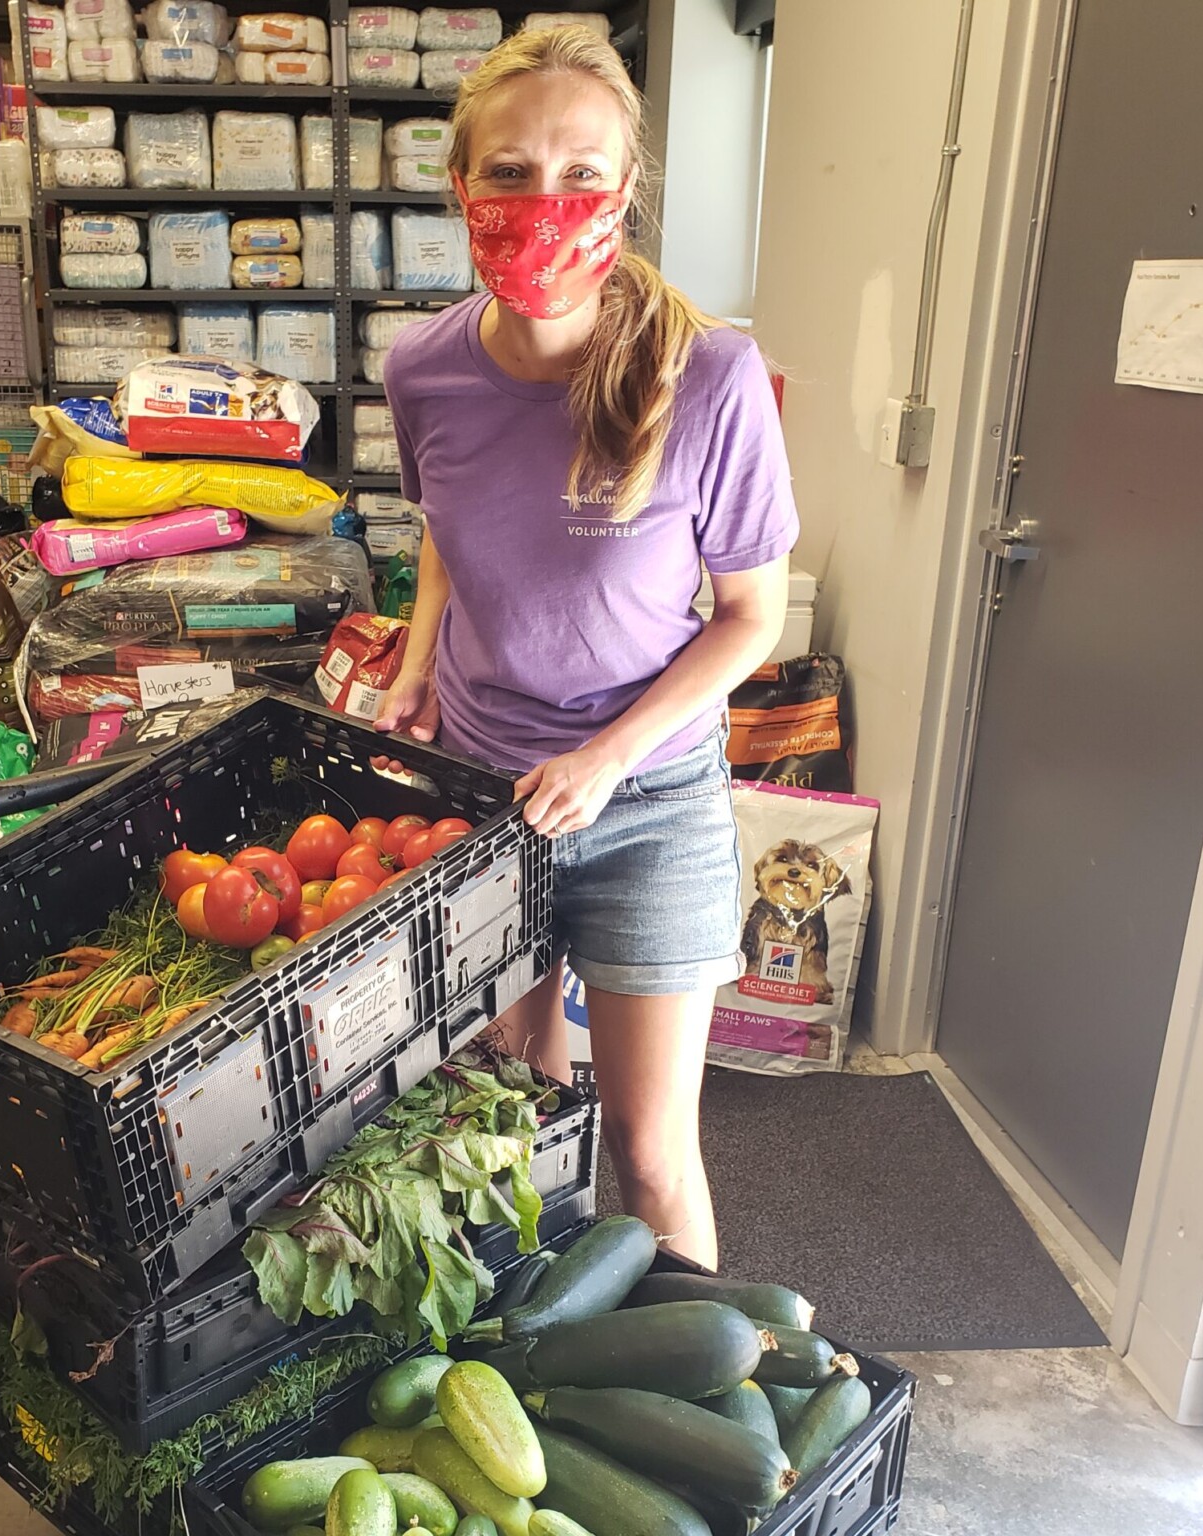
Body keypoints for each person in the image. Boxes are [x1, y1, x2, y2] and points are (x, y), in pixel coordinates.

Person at [374, 25, 799, 1270]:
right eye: (507, 173)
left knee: (650, 1151)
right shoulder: (424, 370)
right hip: (484, 796)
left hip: (650, 807)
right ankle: (529, 1369)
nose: (541, 203)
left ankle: (694, 1421)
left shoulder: (709, 378)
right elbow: (447, 528)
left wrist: (610, 756)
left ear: (626, 188)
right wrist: (414, 663)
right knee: (510, 1110)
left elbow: (750, 618)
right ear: (460, 187)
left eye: (578, 173)